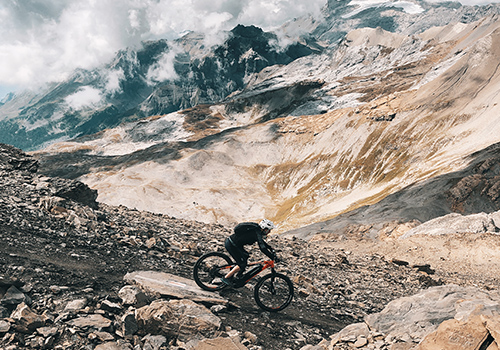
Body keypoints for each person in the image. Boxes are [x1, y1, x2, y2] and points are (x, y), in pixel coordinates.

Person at [221, 219, 278, 286]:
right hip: (232, 245)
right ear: (265, 229)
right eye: (269, 230)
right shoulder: (257, 232)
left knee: (245, 256)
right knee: (242, 264)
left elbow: (261, 242)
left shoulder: (257, 231)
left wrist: (270, 248)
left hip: (235, 244)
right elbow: (262, 248)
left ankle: (238, 275)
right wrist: (271, 256)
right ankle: (226, 278)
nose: (269, 232)